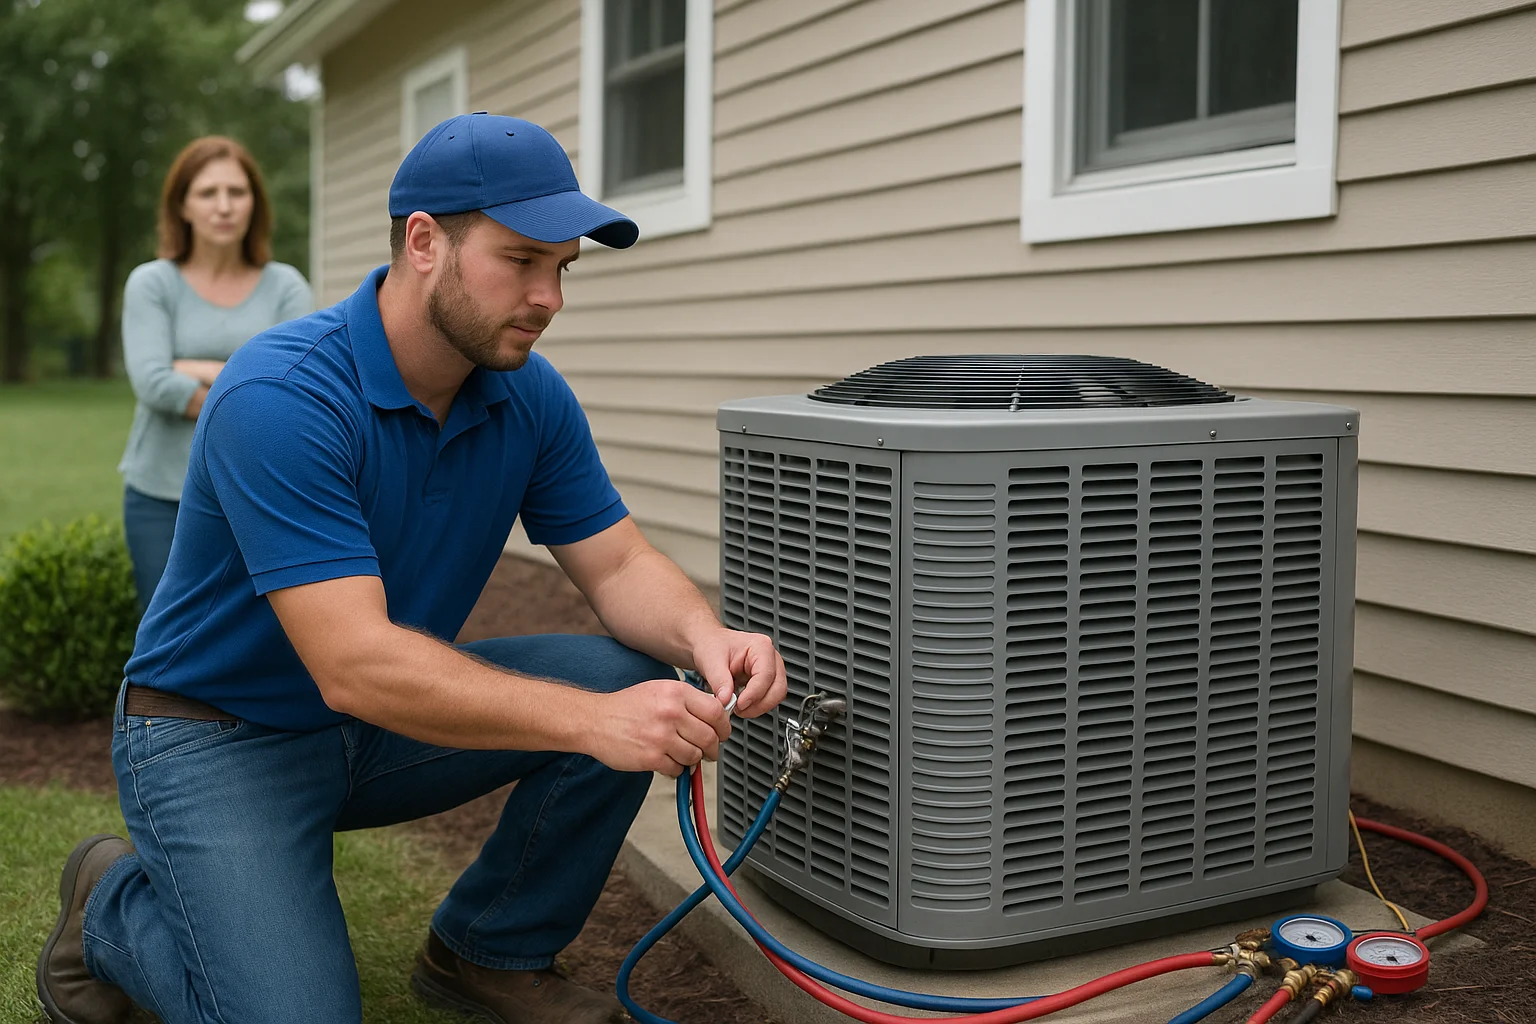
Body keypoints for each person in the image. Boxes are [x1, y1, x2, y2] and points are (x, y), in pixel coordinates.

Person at [36, 112, 787, 1024]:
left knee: (638, 674)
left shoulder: (528, 396)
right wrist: (593, 722)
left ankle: (488, 951)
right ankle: (110, 906)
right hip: (214, 736)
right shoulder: (282, 397)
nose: (549, 296)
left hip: (371, 729)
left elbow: (619, 562)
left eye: (563, 267)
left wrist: (708, 637)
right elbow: (353, 663)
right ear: (425, 241)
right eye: (521, 260)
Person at [118, 135, 313, 610]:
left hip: (262, 491)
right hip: (161, 495)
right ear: (182, 205)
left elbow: (297, 391)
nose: (224, 206)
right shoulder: (152, 283)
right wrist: (251, 383)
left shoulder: (286, 286)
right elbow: (153, 383)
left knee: (262, 635)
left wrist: (192, 367)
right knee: (166, 635)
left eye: (237, 192)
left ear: (255, 204)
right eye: (208, 193)